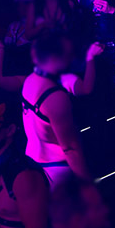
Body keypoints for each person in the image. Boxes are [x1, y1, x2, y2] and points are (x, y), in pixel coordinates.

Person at [21, 34, 91, 187]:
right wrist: (87, 185)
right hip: (57, 169)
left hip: (32, 162)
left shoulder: (29, 80)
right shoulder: (55, 97)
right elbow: (70, 149)